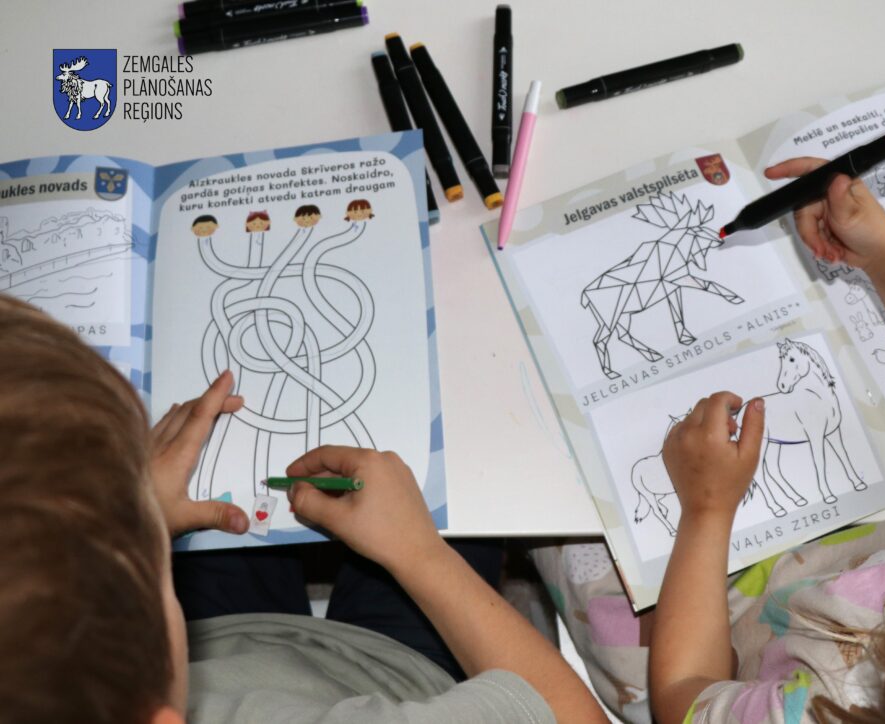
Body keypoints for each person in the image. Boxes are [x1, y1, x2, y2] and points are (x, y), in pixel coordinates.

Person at [0, 295, 608, 723]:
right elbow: (565, 714)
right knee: (460, 455)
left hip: (230, 642)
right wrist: (418, 552)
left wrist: (143, 521)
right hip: (396, 679)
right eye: (149, 569)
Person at [648, 158, 885, 722]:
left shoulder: (836, 702)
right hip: (833, 564)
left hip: (731, 633)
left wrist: (704, 510)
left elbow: (681, 694)